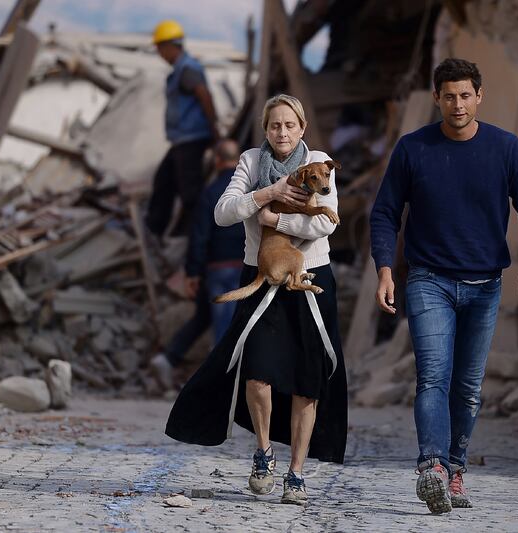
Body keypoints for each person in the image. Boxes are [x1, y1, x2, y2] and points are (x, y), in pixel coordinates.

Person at [369, 58, 518, 514]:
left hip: (485, 285)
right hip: (429, 280)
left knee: (468, 387)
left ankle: (454, 470)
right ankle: (431, 466)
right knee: (433, 375)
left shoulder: (505, 149)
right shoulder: (414, 149)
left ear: (479, 96)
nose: (457, 104)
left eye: (465, 95)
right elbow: (385, 213)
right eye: (448, 95)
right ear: (436, 98)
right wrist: (385, 269)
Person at [165, 94, 348, 506]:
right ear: (265, 129)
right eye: (274, 126)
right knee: (257, 373)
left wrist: (273, 220)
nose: (281, 133)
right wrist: (268, 194)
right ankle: (264, 452)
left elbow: (326, 221)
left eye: (289, 125)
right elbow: (223, 212)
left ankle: (296, 474)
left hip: (312, 277)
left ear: (302, 128)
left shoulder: (319, 162)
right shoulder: (250, 162)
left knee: (308, 384)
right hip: (263, 278)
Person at [150, 139, 246, 391]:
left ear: (216, 160)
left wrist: (193, 272)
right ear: (239, 161)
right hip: (245, 266)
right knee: (227, 324)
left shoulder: (210, 191)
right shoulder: (251, 191)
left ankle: (168, 358)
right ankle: (222, 386)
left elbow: (200, 236)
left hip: (217, 269)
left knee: (211, 317)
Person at [145, 20, 220, 240]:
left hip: (192, 139)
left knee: (190, 192)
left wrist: (214, 129)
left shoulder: (187, 68)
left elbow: (204, 95)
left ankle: (199, 234)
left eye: (160, 48)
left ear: (169, 46)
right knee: (164, 181)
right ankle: (155, 229)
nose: (159, 53)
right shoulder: (180, 70)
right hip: (182, 140)